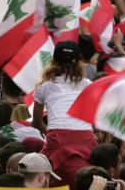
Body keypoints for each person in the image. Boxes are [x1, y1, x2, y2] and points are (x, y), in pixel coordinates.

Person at [32, 40, 94, 188]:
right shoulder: (88, 85)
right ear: (79, 62)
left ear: (53, 62)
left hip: (56, 138)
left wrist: (48, 131)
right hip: (85, 138)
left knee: (35, 177)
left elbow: (36, 122)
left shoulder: (44, 87)